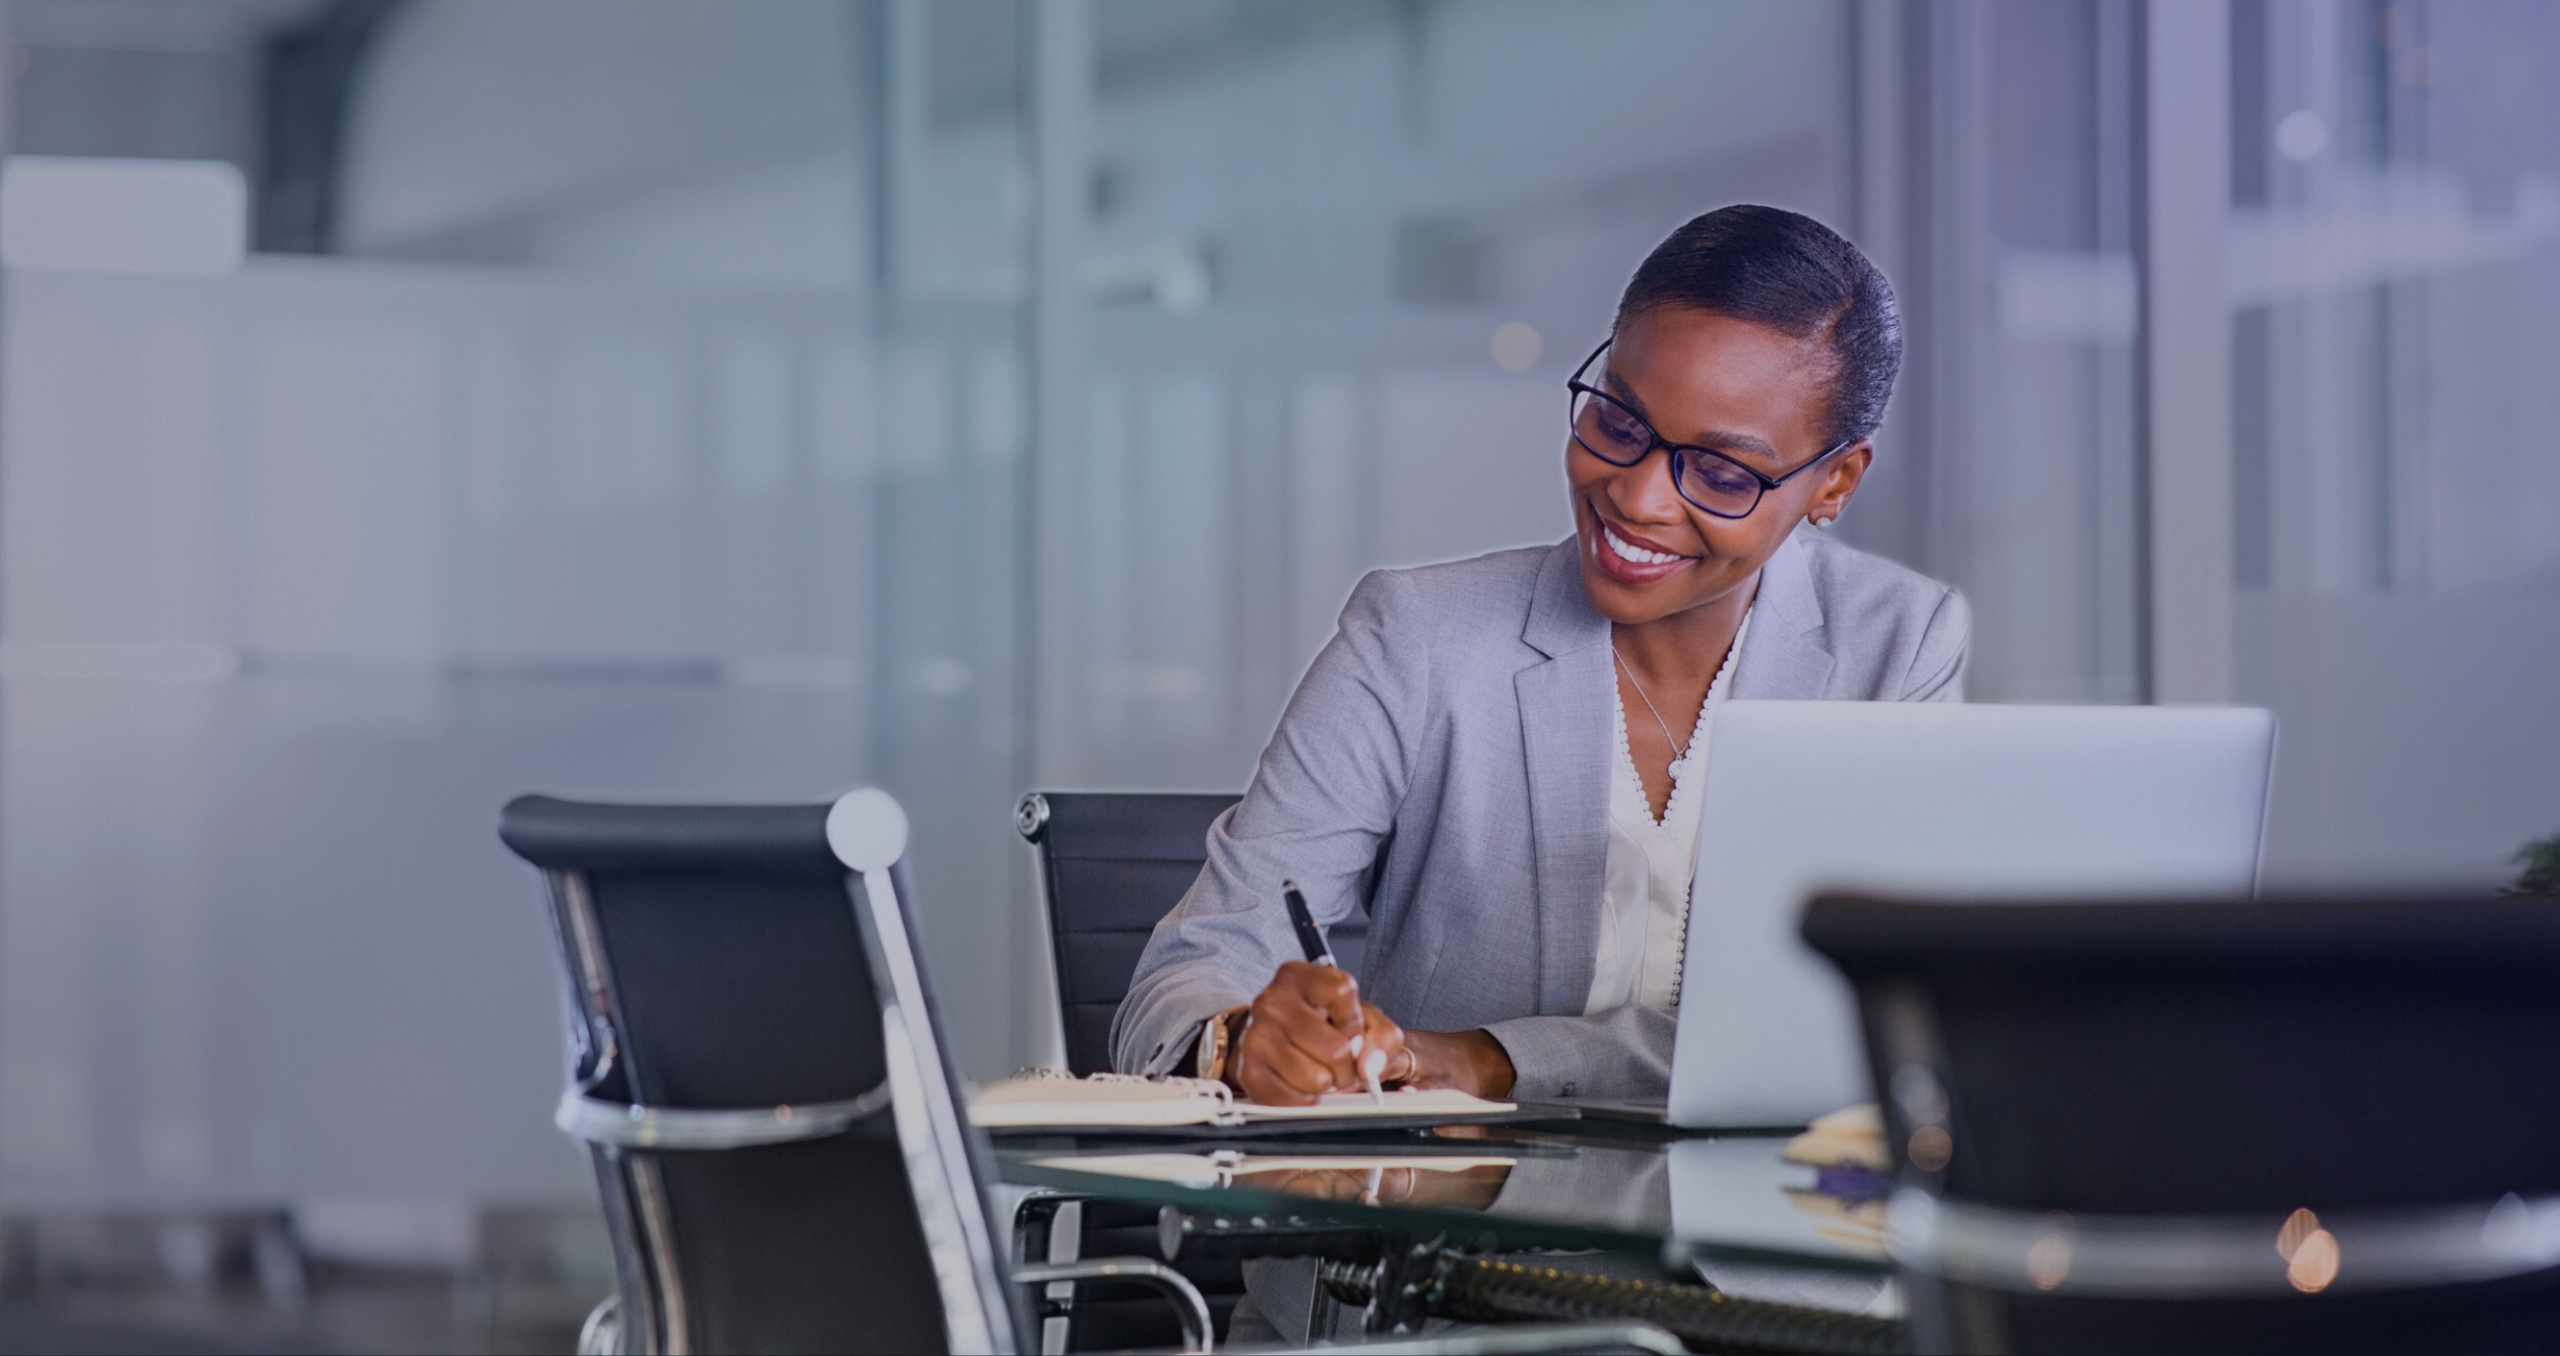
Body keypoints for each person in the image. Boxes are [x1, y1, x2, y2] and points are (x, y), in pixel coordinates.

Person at [1113, 204, 1968, 1106]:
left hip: (1769, 1198)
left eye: (1721, 473)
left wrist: (1488, 1060)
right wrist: (1239, 1040)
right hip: (1443, 1197)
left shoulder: (1897, 647)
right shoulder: (1418, 639)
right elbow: (1185, 980)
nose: (1638, 497)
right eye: (1620, 421)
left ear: (1835, 482)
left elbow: (1858, 1030)